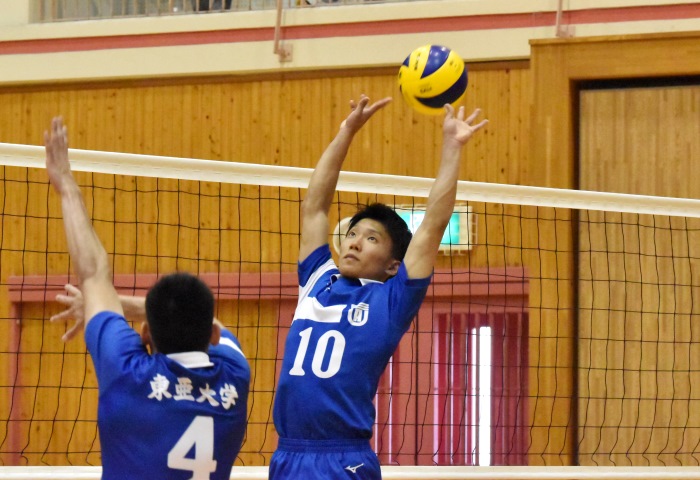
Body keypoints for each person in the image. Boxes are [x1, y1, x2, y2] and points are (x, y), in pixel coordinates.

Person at [270, 95, 488, 479]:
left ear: (393, 265)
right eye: (353, 234)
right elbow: (315, 207)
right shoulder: (318, 279)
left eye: (371, 238)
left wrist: (452, 147)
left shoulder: (390, 300)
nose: (354, 242)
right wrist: (346, 131)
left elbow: (433, 225)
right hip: (288, 455)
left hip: (342, 459)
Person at [44, 117, 251, 480]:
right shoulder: (236, 373)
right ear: (214, 337)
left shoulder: (127, 372)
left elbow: (93, 273)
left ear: (145, 334)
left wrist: (66, 185)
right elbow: (210, 321)